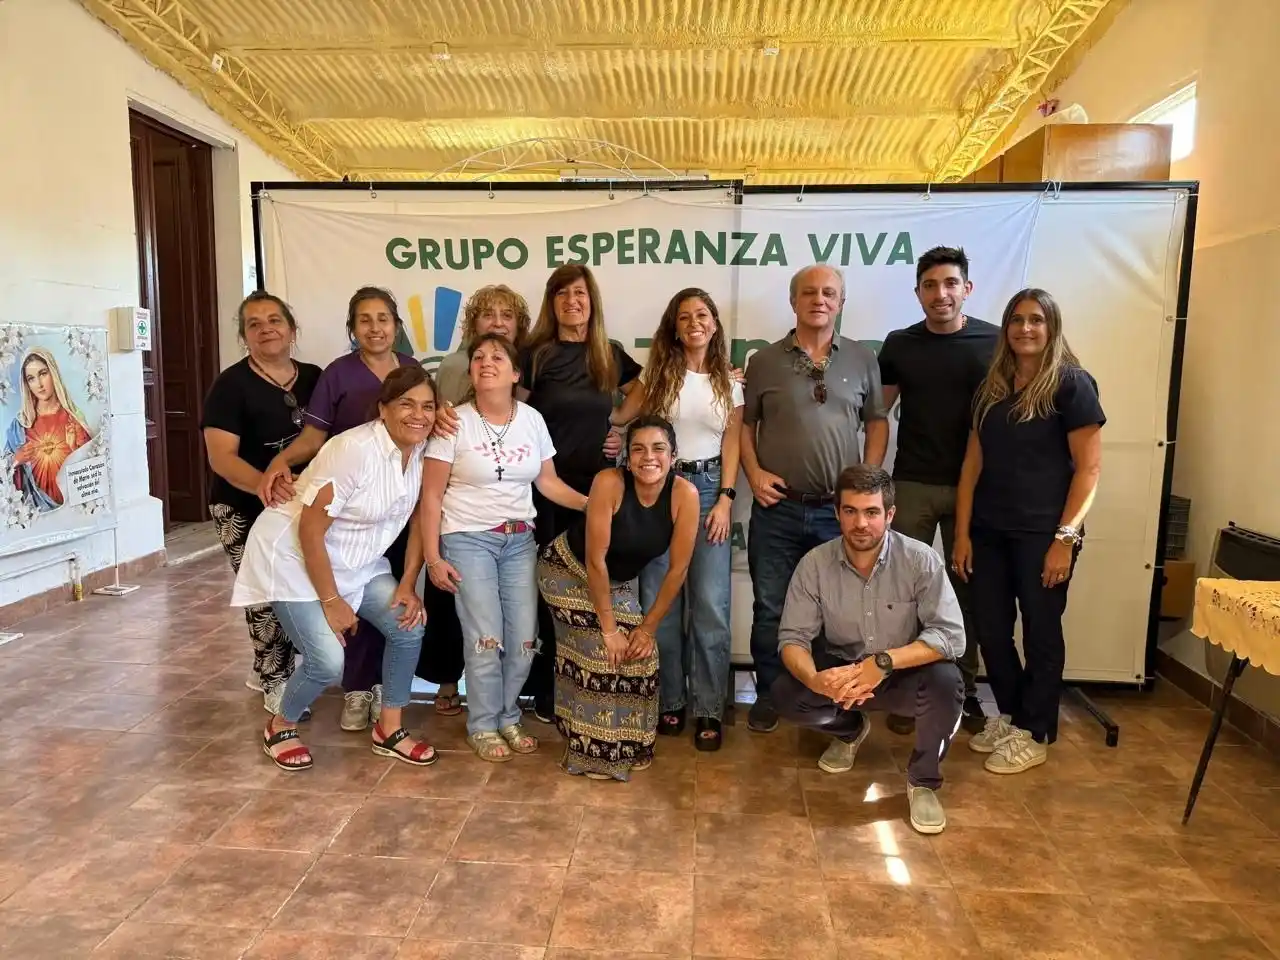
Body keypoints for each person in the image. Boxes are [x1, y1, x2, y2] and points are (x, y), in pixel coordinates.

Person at [436, 265, 642, 724]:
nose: (573, 301)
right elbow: (507, 408)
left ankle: (589, 689)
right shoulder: (535, 354)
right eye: (563, 293)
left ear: (593, 301)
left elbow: (645, 389)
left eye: (581, 293)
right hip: (536, 494)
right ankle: (539, 696)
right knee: (547, 597)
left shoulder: (609, 353)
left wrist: (620, 423)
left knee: (596, 587)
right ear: (551, 303)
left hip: (593, 484)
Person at [232, 366, 437, 771]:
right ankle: (281, 725)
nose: (419, 414)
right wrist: (332, 602)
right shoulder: (354, 450)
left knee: (409, 624)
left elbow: (418, 519)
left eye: (428, 406)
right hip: (294, 557)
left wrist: (409, 583)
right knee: (327, 661)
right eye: (406, 404)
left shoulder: (423, 449)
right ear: (383, 409)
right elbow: (310, 529)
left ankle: (389, 729)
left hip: (356, 559)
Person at [258, 286, 423, 733]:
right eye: (365, 320)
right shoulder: (340, 380)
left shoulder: (412, 376)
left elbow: (430, 424)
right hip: (332, 513)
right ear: (352, 329)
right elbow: (314, 440)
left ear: (397, 325)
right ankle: (332, 700)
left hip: (379, 518)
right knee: (329, 653)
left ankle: (388, 722)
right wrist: (279, 462)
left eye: (383, 318)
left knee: (401, 620)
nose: (375, 327)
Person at [953, 288, 1105, 775]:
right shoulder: (992, 388)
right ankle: (1015, 716)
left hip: (1044, 536)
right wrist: (961, 532)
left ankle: (1036, 731)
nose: (1025, 328)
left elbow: (1089, 471)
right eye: (1017, 320)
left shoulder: (1072, 385)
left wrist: (1064, 540)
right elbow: (972, 465)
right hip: (989, 532)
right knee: (992, 631)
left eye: (1036, 320)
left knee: (1041, 631)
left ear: (1051, 326)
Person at [771, 465, 965, 835]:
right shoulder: (814, 564)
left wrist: (885, 662)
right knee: (786, 692)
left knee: (947, 682)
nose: (861, 523)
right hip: (844, 675)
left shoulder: (920, 560)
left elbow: (951, 636)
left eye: (872, 512)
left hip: (900, 674)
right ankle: (849, 730)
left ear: (890, 514)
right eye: (851, 511)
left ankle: (923, 781)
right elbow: (793, 638)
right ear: (838, 513)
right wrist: (816, 679)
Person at [422, 333, 589, 762]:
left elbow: (547, 482)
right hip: (467, 539)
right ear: (471, 371)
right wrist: (432, 556)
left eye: (498, 357)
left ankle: (508, 715)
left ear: (516, 373)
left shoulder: (532, 419)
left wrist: (594, 505)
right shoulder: (452, 422)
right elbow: (431, 497)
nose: (486, 362)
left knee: (523, 640)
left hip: (520, 540)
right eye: (478, 357)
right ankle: (482, 724)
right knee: (485, 638)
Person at [741, 264, 890, 734]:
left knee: (839, 613)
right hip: (778, 508)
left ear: (841, 303)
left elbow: (878, 421)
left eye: (829, 293)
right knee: (770, 607)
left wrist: (868, 480)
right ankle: (770, 694)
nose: (819, 299)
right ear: (793, 301)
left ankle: (831, 697)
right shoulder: (764, 361)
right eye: (809, 292)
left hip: (838, 515)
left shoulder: (863, 359)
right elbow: (744, 426)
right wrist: (754, 471)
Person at [609, 288, 743, 751]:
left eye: (702, 314)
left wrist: (725, 498)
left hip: (708, 492)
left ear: (714, 323)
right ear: (673, 325)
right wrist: (606, 428)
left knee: (710, 605)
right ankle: (669, 700)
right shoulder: (658, 373)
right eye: (684, 316)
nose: (694, 323)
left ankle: (707, 707)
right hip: (657, 491)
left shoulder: (730, 381)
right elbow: (622, 416)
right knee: (659, 604)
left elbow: (732, 442)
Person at [877, 247, 999, 737]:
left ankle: (963, 692)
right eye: (930, 285)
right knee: (903, 591)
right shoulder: (900, 344)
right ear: (918, 293)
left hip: (978, 489)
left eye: (950, 283)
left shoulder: (995, 342)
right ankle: (908, 691)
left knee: (966, 591)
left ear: (966, 288)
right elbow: (877, 415)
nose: (940, 294)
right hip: (912, 484)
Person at [535, 416, 699, 780]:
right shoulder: (608, 482)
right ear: (626, 457)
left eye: (658, 449)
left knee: (641, 653)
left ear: (673, 456)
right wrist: (609, 629)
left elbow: (677, 570)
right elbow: (595, 559)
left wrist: (647, 629)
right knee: (601, 650)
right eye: (637, 449)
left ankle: (633, 744)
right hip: (566, 570)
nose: (648, 457)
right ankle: (590, 750)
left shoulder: (685, 495)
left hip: (617, 582)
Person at [201, 292, 323, 712]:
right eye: (254, 323)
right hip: (242, 504)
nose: (266, 328)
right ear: (244, 336)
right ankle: (275, 679)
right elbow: (221, 458)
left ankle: (274, 666)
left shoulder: (313, 377)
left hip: (301, 503)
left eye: (275, 320)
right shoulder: (230, 386)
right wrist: (267, 486)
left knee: (300, 588)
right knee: (265, 593)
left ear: (291, 329)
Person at [421, 284, 533, 719]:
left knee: (520, 632)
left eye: (508, 315)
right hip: (464, 523)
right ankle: (478, 713)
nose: (499, 322)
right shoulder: (455, 368)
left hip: (517, 529)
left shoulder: (527, 393)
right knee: (473, 626)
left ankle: (506, 713)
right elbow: (436, 426)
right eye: (489, 315)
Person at [5, 348, 92, 511]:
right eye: (31, 378)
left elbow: (91, 468)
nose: (39, 384)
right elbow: (4, 470)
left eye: (43, 373)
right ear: (27, 385)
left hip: (71, 510)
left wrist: (74, 448)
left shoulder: (73, 418)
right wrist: (16, 460)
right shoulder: (20, 425)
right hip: (38, 511)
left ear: (53, 373)